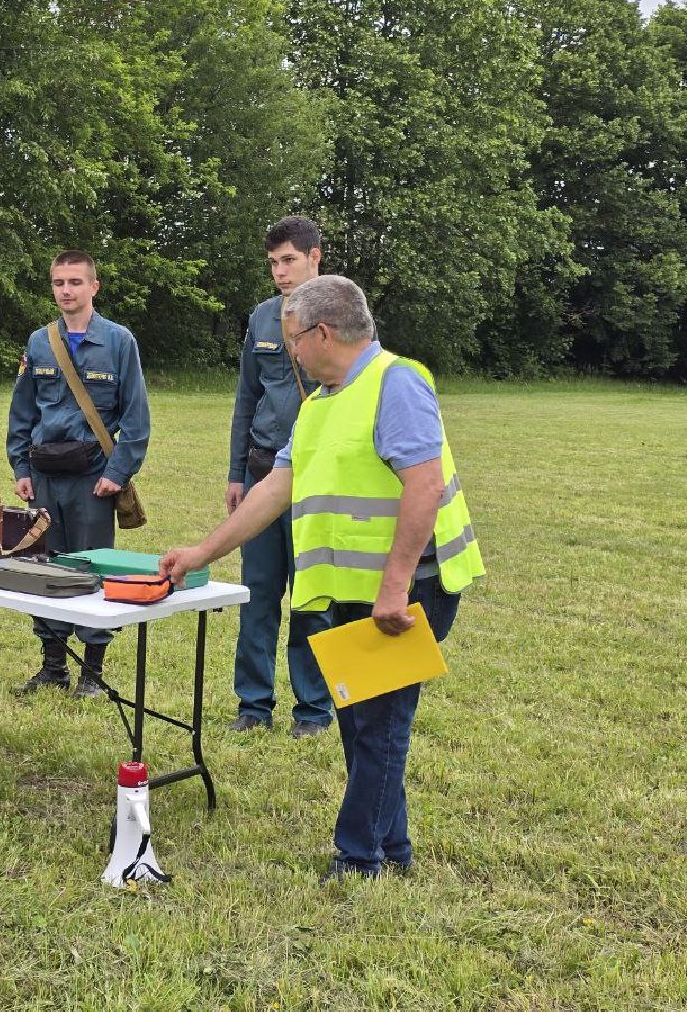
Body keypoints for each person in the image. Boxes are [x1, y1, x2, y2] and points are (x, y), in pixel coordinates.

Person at [161, 275, 484, 882]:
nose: (290, 352)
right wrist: (202, 552)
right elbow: (276, 488)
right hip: (354, 590)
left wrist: (393, 589)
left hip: (410, 588)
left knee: (380, 725)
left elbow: (424, 485)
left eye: (293, 340)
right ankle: (392, 849)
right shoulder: (320, 402)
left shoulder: (397, 383)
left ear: (323, 333)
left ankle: (359, 858)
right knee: (361, 722)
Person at [7, 250, 150, 697]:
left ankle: (92, 673)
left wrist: (118, 472)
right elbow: (22, 412)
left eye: (75, 282)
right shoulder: (39, 342)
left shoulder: (119, 342)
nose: (66, 291)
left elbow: (137, 418)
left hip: (93, 478)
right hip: (44, 475)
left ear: (94, 287)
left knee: (90, 568)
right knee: (44, 566)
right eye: (58, 283)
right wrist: (20, 466)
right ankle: (53, 666)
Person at [224, 216, 334, 738]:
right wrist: (235, 474)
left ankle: (312, 710)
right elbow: (247, 397)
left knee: (311, 597)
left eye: (289, 260)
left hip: (318, 477)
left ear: (315, 257)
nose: (280, 272)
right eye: (273, 263)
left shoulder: (343, 313)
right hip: (263, 470)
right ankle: (253, 705)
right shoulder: (262, 318)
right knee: (258, 593)